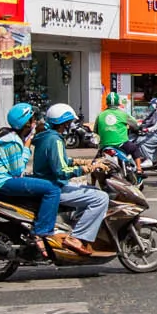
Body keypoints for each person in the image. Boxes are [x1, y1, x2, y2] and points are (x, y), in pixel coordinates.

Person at [0, 103, 64, 256]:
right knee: (53, 189)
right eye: (32, 120)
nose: (35, 123)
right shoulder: (13, 141)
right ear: (26, 123)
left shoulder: (9, 136)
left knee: (41, 185)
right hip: (1, 182)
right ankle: (43, 231)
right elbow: (17, 170)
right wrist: (27, 145)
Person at [33, 103, 110, 251]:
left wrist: (84, 161)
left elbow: (60, 161)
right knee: (101, 198)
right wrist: (86, 169)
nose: (70, 126)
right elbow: (61, 171)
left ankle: (76, 225)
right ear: (63, 123)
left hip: (49, 183)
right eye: (69, 123)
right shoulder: (54, 140)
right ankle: (77, 237)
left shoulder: (46, 137)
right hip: (54, 186)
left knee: (89, 189)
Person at [93, 91, 134, 160]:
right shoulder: (123, 114)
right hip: (121, 144)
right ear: (118, 102)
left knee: (95, 162)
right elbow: (135, 124)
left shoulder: (100, 115)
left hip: (104, 145)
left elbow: (95, 131)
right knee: (135, 149)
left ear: (107, 102)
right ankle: (139, 168)